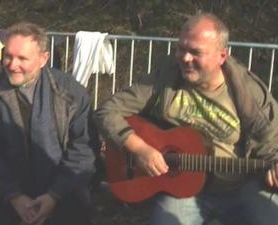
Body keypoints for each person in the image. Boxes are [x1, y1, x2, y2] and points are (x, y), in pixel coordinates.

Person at [94, 13, 278, 225]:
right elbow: (107, 111)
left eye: (196, 52)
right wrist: (139, 149)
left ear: (222, 56)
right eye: (181, 48)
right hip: (184, 192)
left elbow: (272, 139)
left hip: (241, 188)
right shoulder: (164, 79)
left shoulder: (249, 93)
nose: (185, 58)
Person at [0, 22, 98, 225]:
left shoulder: (71, 94)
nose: (12, 65)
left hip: (62, 189)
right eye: (8, 56)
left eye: (22, 58)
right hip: (10, 192)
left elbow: (82, 151)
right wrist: (15, 196)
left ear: (43, 59)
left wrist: (54, 196)